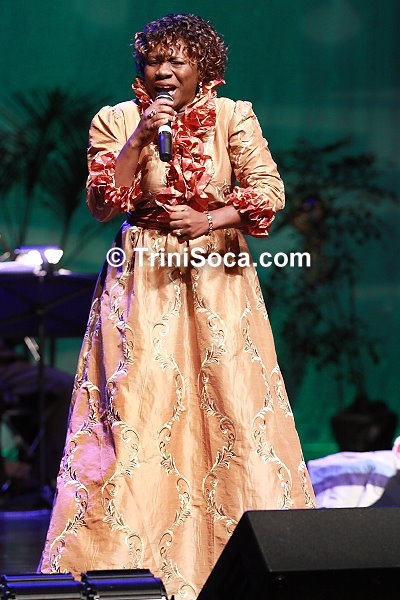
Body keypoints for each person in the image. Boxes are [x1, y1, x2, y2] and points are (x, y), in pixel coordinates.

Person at [40, 14, 315, 598]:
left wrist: (211, 219)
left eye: (177, 61)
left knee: (232, 403)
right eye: (153, 60)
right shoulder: (116, 119)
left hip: (218, 276)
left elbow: (268, 192)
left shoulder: (233, 115)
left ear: (202, 68)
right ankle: (128, 559)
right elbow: (103, 202)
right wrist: (140, 138)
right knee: (138, 408)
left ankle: (241, 561)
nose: (163, 71)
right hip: (141, 279)